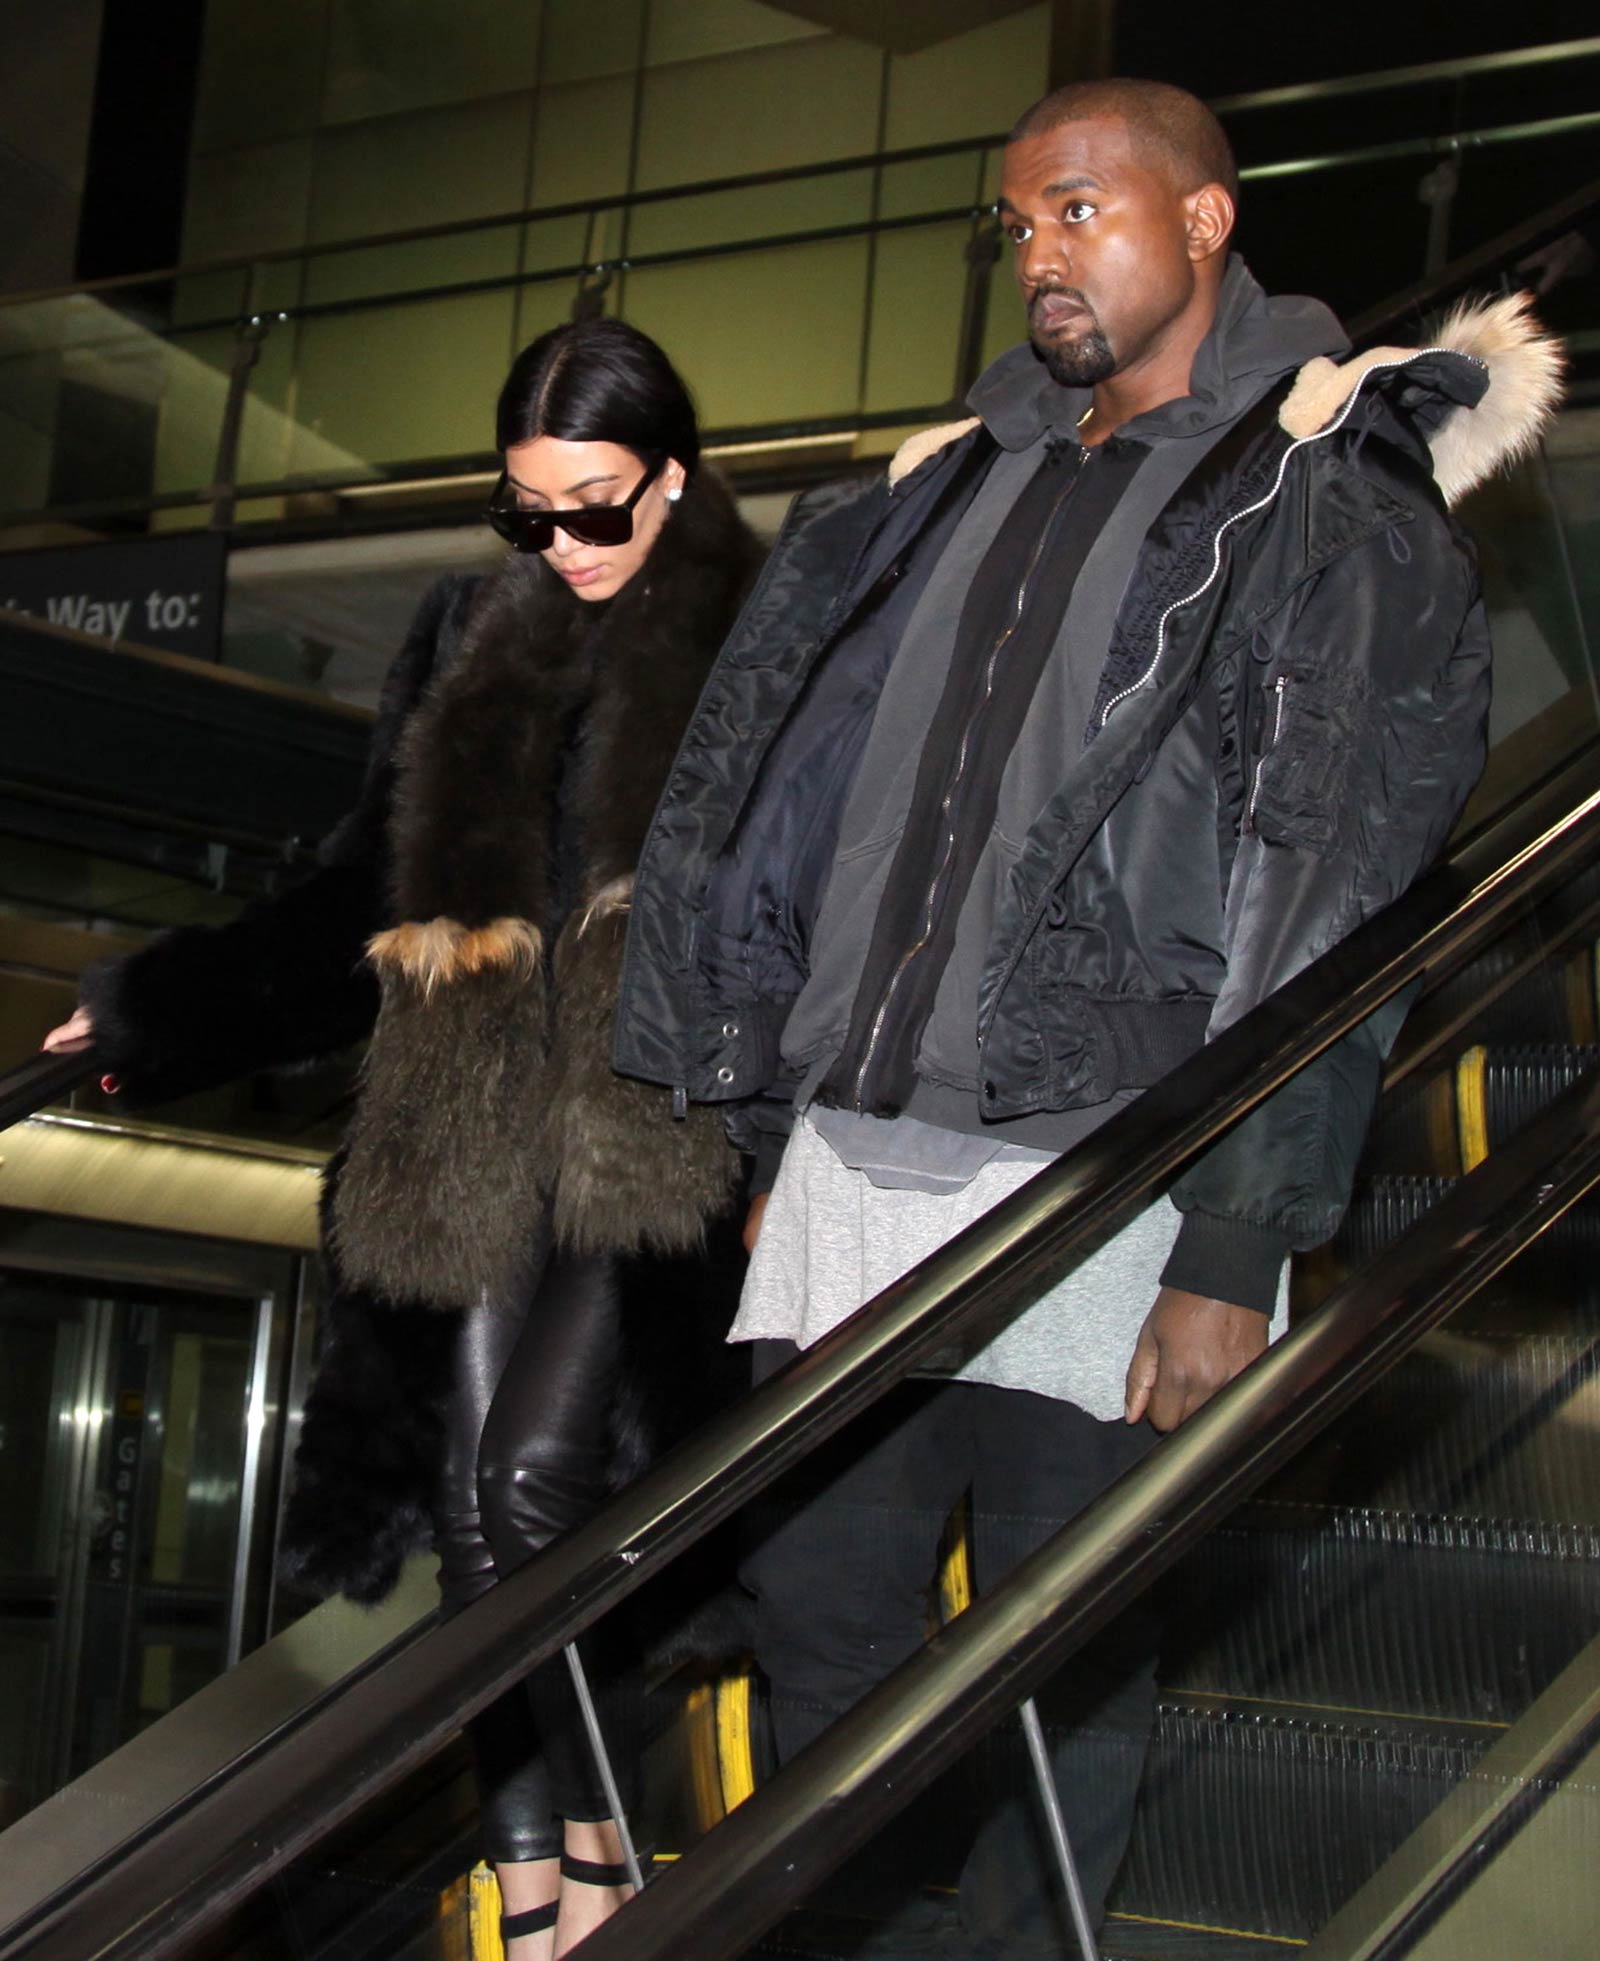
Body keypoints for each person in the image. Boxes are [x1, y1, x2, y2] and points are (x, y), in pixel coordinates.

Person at [611, 78, 1560, 1957]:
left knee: (1056, 1685)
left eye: (1082, 211)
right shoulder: (931, 481)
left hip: (1117, 1174)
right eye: (1018, 223)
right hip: (858, 1171)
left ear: (1204, 222)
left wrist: (1239, 1232)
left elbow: (1330, 883)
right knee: (823, 1645)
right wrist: (766, 1129)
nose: (1041, 255)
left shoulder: (1318, 496)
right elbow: (796, 801)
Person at [43, 317, 765, 1959]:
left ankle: (607, 1849)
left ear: (673, 475)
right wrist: (162, 1006)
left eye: (598, 506)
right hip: (475, 1115)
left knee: (533, 1475)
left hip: (659, 1119)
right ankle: (540, 1884)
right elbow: (361, 888)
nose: (565, 544)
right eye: (529, 512)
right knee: (464, 1490)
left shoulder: (761, 629)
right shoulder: (465, 633)